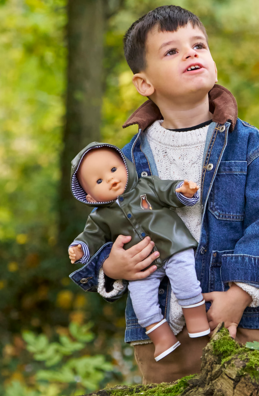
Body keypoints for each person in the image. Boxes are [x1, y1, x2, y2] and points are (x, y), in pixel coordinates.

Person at [69, 5, 259, 383]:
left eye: (199, 45)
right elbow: (105, 228)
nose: (191, 53)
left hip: (241, 319)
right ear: (144, 84)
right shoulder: (123, 163)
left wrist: (238, 296)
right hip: (161, 332)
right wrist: (109, 266)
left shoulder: (253, 147)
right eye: (172, 51)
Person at [68, 142, 210, 362]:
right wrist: (80, 249)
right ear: (90, 198)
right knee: (141, 302)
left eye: (114, 170)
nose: (111, 179)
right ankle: (162, 338)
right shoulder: (100, 217)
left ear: (126, 166)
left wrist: (182, 190)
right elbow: (91, 237)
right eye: (99, 181)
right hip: (141, 266)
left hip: (173, 245)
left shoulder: (146, 186)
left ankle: (196, 318)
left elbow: (167, 190)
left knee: (186, 281)